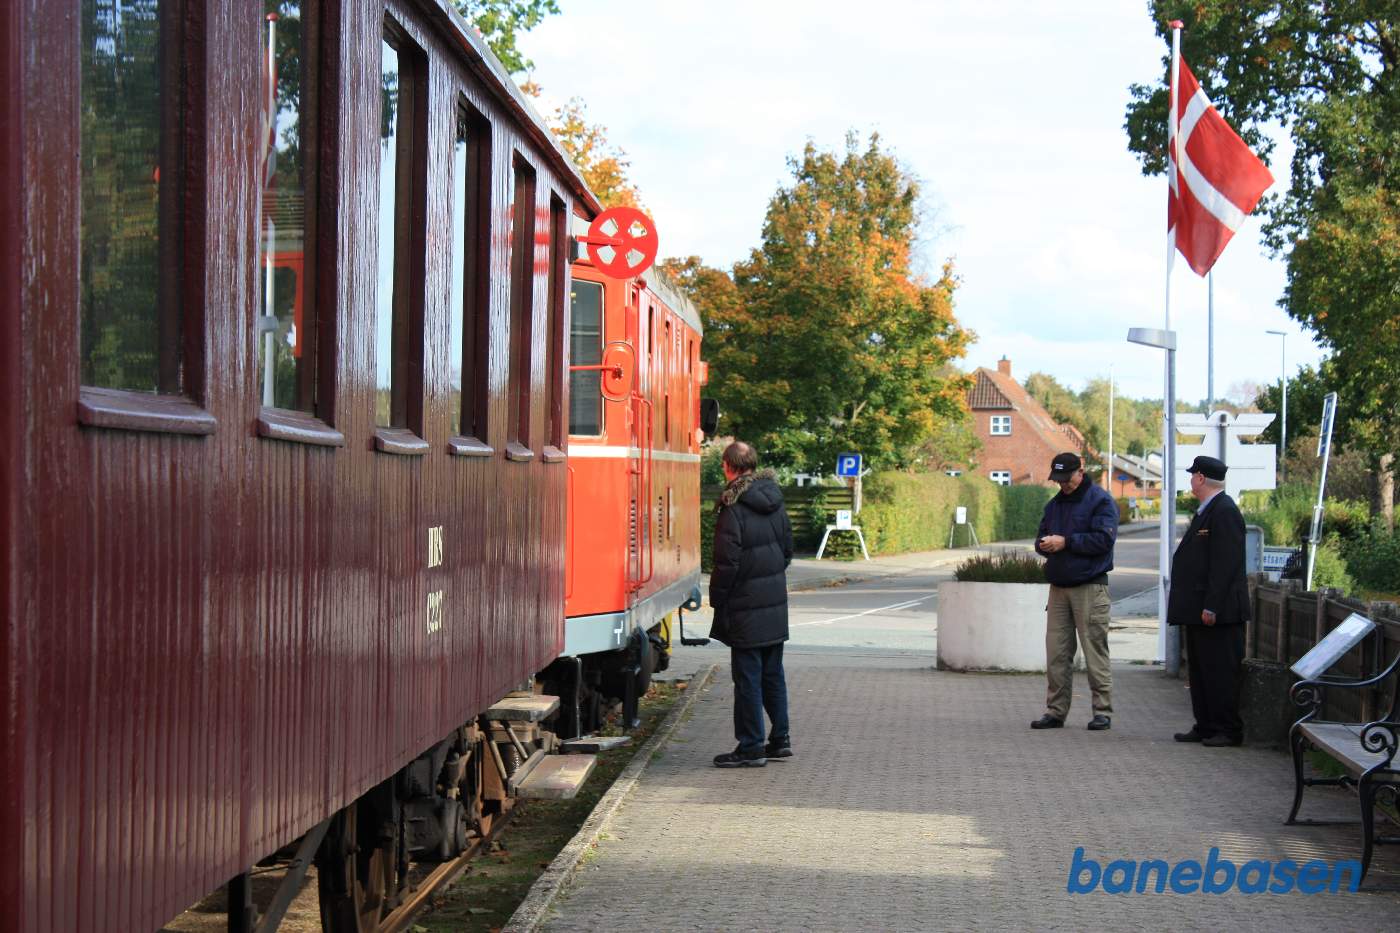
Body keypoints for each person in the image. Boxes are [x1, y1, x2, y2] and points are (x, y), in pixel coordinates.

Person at [708, 441, 794, 768]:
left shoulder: (733, 505)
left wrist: (718, 599)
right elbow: (787, 551)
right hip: (774, 605)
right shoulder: (776, 501)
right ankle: (780, 740)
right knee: (773, 675)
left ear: (728, 467)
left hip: (745, 607)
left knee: (747, 680)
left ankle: (751, 746)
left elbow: (726, 563)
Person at [1030, 452, 1119, 731]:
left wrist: (1065, 542)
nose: (1062, 485)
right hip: (1059, 587)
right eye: (1058, 480)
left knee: (1095, 652)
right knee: (1056, 653)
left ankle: (1102, 712)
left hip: (1090, 587)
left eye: (1066, 479)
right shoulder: (1054, 505)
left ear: (1080, 473)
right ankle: (1055, 711)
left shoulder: (1101, 501)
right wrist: (1043, 544)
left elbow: (1104, 540)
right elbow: (1040, 536)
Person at [1168, 455, 1250, 747]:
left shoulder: (1224, 511)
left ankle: (1226, 729)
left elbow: (1225, 564)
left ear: (1201, 478)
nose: (1191, 481)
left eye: (1193, 476)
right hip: (1199, 610)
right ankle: (1205, 725)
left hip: (1220, 612)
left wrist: (1211, 605)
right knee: (1201, 672)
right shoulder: (1208, 510)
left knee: (1220, 673)